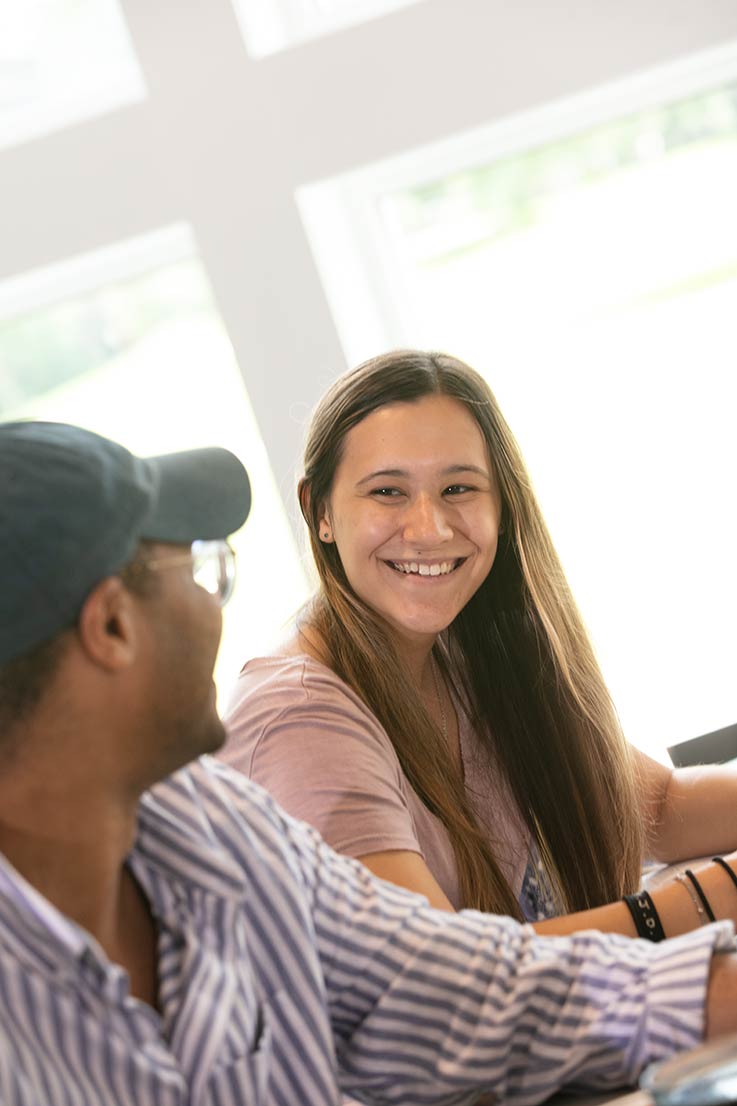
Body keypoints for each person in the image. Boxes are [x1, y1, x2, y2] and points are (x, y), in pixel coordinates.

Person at [3, 417, 737, 1106]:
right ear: (111, 625)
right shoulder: (296, 713)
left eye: (459, 487)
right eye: (200, 574)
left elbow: (444, 986)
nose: (215, 613)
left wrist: (711, 987)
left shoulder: (205, 817)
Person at [222, 349, 737, 940]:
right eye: (388, 492)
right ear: (320, 512)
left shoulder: (458, 648)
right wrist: (713, 896)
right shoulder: (297, 718)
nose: (429, 529)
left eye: (458, 487)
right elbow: (443, 973)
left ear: (501, 505)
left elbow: (662, 808)